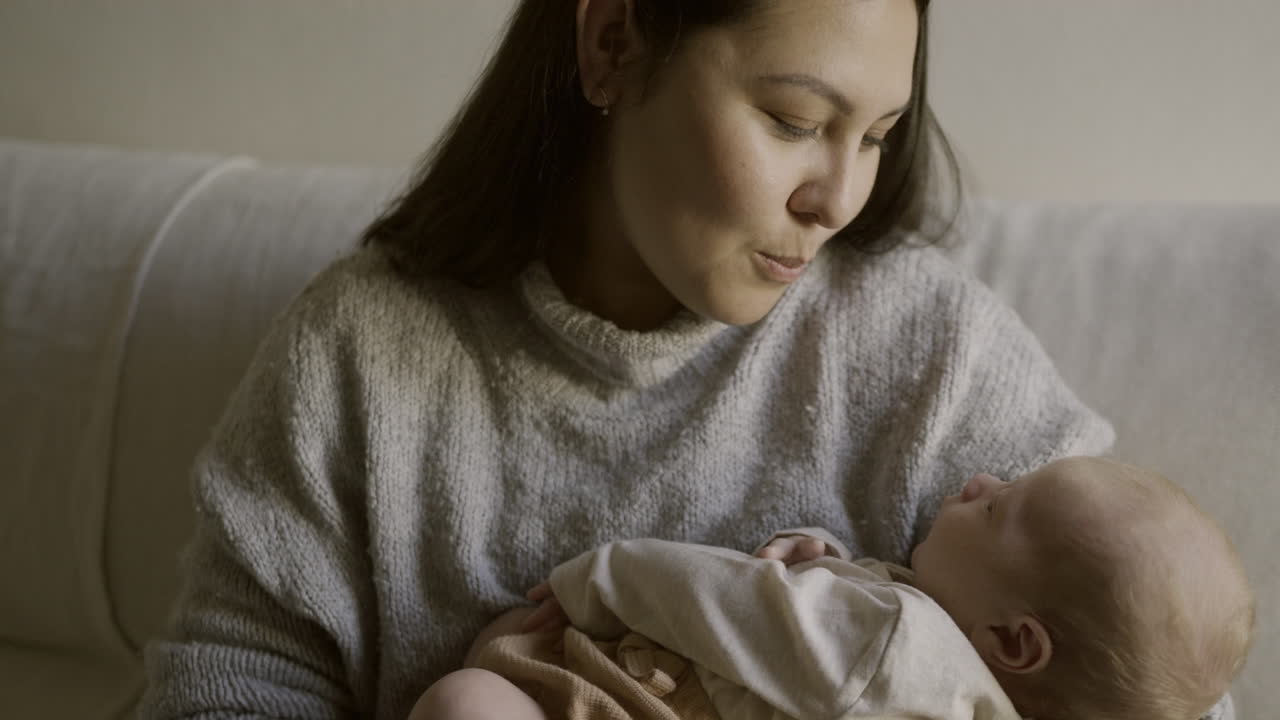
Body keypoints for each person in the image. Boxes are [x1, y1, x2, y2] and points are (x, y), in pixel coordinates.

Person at [136, 1, 1235, 718]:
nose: (838, 197)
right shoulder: (360, 355)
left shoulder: (928, 353)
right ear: (612, 42)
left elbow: (1159, 677)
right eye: (793, 118)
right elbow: (224, 690)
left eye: (878, 133)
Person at [412, 458, 1255, 720]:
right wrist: (836, 569)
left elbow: (717, 600)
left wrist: (601, 577)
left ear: (1014, 642)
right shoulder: (949, 686)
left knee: (465, 703)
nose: (977, 482)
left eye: (1000, 506)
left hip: (624, 705)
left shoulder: (899, 648)